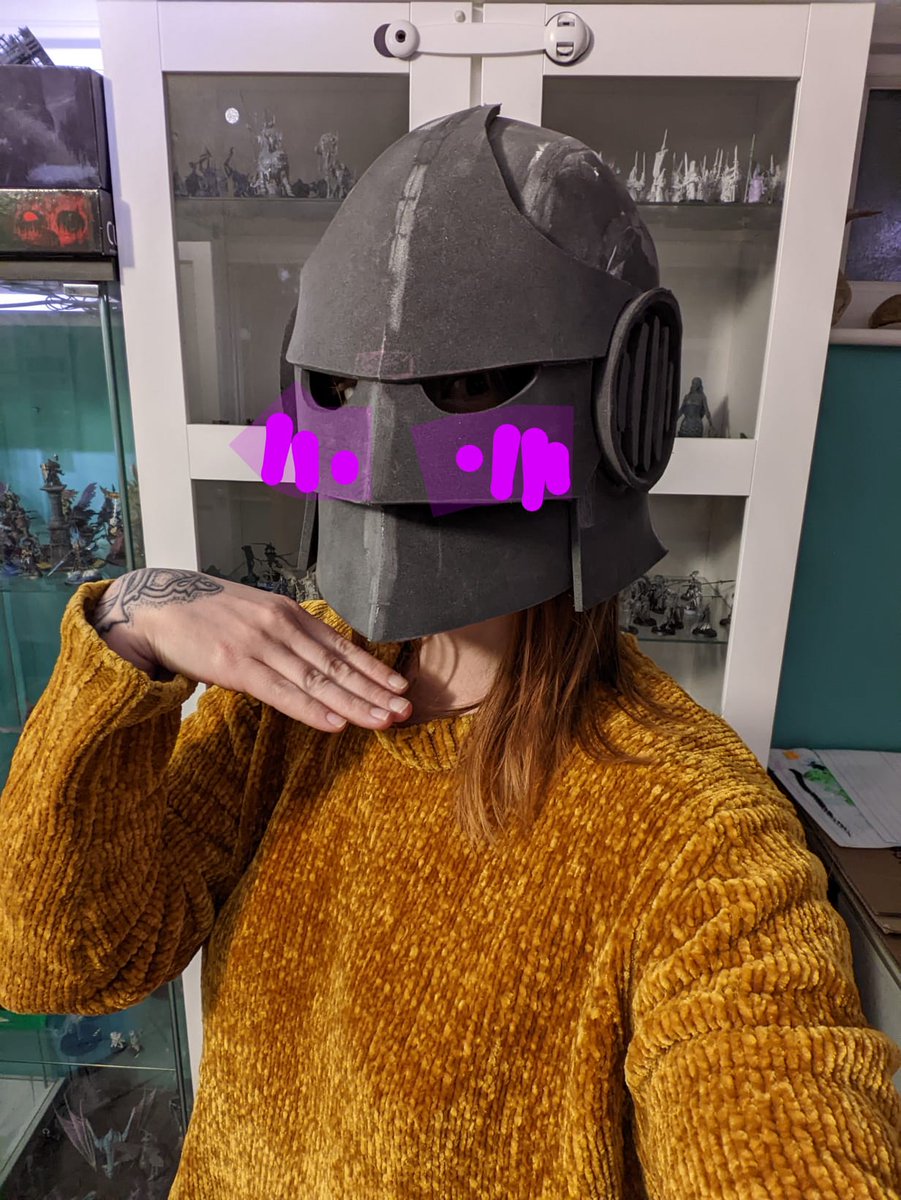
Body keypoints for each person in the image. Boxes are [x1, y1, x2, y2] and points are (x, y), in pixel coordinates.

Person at [1, 106, 899, 1200]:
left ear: (625, 399)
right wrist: (128, 618)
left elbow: (777, 1107)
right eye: (341, 389)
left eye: (469, 387)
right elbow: (60, 961)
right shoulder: (285, 699)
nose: (388, 442)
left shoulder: (696, 833)